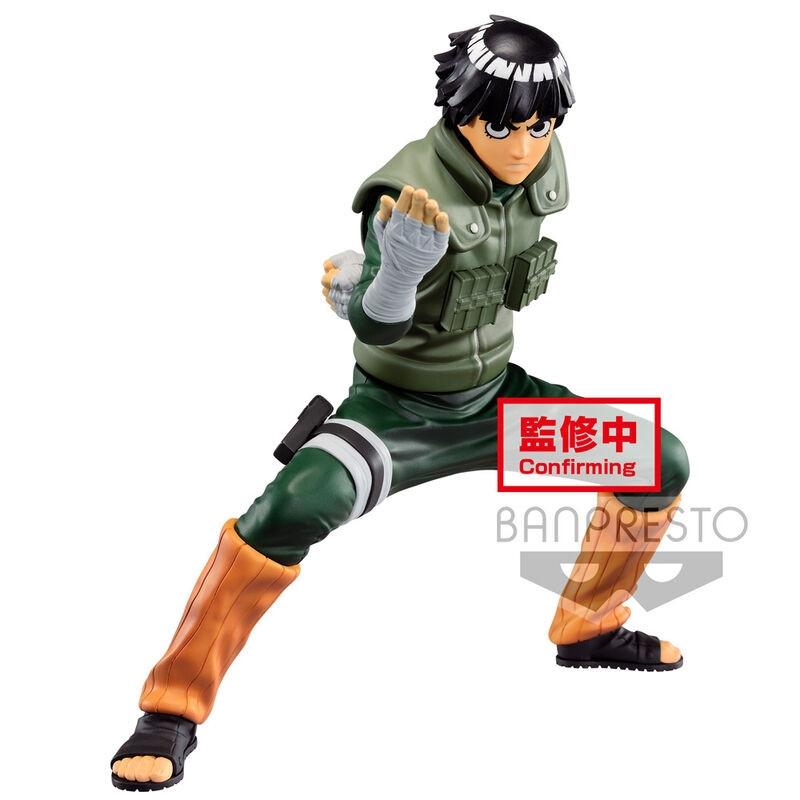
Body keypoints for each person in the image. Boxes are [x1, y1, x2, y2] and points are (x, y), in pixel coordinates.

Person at [110, 15, 690, 791]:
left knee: (657, 460)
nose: (524, 146)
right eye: (501, 127)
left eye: (541, 126)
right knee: (290, 508)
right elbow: (377, 325)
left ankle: (588, 625)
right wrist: (392, 277)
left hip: (495, 404)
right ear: (461, 113)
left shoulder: (540, 165)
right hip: (398, 414)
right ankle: (170, 708)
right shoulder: (408, 193)